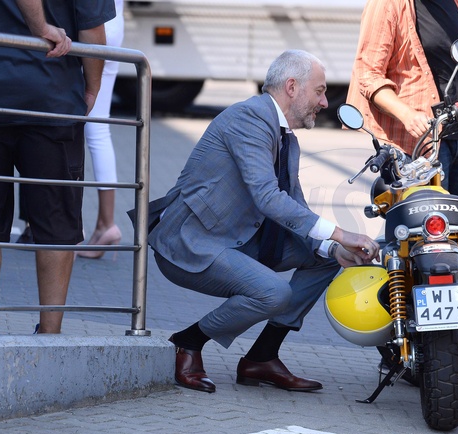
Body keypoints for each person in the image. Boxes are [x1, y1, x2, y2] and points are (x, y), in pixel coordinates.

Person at [146, 49, 380, 393]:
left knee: (328, 257)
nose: (325, 102)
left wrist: (334, 247)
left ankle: (262, 357)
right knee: (273, 292)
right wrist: (342, 233)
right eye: (319, 91)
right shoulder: (250, 119)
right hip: (191, 244)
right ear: (291, 87)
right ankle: (187, 342)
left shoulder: (285, 136)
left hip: (239, 240)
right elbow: (268, 198)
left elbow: (293, 206)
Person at [345, 0, 458, 383]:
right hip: (415, 144)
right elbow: (367, 73)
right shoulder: (390, 4)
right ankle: (398, 345)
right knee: (413, 248)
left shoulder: (457, 3)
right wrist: (407, 114)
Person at [0, 0, 115, 334]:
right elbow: (92, 29)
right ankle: (49, 336)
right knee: (56, 227)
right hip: (52, 96)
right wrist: (92, 88)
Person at [76, 0, 125, 259]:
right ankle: (106, 224)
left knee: (70, 124)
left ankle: (69, 228)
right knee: (98, 129)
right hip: (114, 20)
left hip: (88, 21)